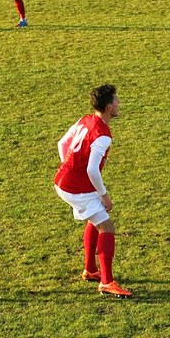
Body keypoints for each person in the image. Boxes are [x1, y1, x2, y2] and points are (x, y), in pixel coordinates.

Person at [54, 84, 133, 298]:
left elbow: (62, 143)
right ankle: (107, 282)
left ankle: (90, 270)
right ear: (108, 108)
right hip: (76, 187)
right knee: (107, 226)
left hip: (62, 180)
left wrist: (69, 166)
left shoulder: (86, 119)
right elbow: (92, 169)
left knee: (94, 218)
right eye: (116, 101)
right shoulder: (103, 135)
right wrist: (103, 194)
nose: (119, 104)